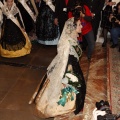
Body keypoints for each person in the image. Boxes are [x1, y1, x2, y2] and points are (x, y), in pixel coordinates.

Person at [29, 17, 86, 119]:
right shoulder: (68, 42)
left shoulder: (72, 36)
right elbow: (64, 60)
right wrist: (65, 75)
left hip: (72, 64)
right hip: (68, 67)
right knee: (73, 87)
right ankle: (59, 107)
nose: (81, 26)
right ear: (72, 28)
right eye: (79, 25)